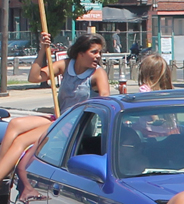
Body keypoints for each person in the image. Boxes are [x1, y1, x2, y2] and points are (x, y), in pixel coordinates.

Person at [0, 32, 109, 189]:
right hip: (58, 116)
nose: (98, 56)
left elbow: (105, 98)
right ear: (80, 53)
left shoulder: (98, 73)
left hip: (75, 125)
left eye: (99, 52)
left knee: (21, 141)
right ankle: (5, 170)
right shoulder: (65, 64)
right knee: (14, 124)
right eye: (94, 52)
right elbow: (34, 77)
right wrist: (43, 50)